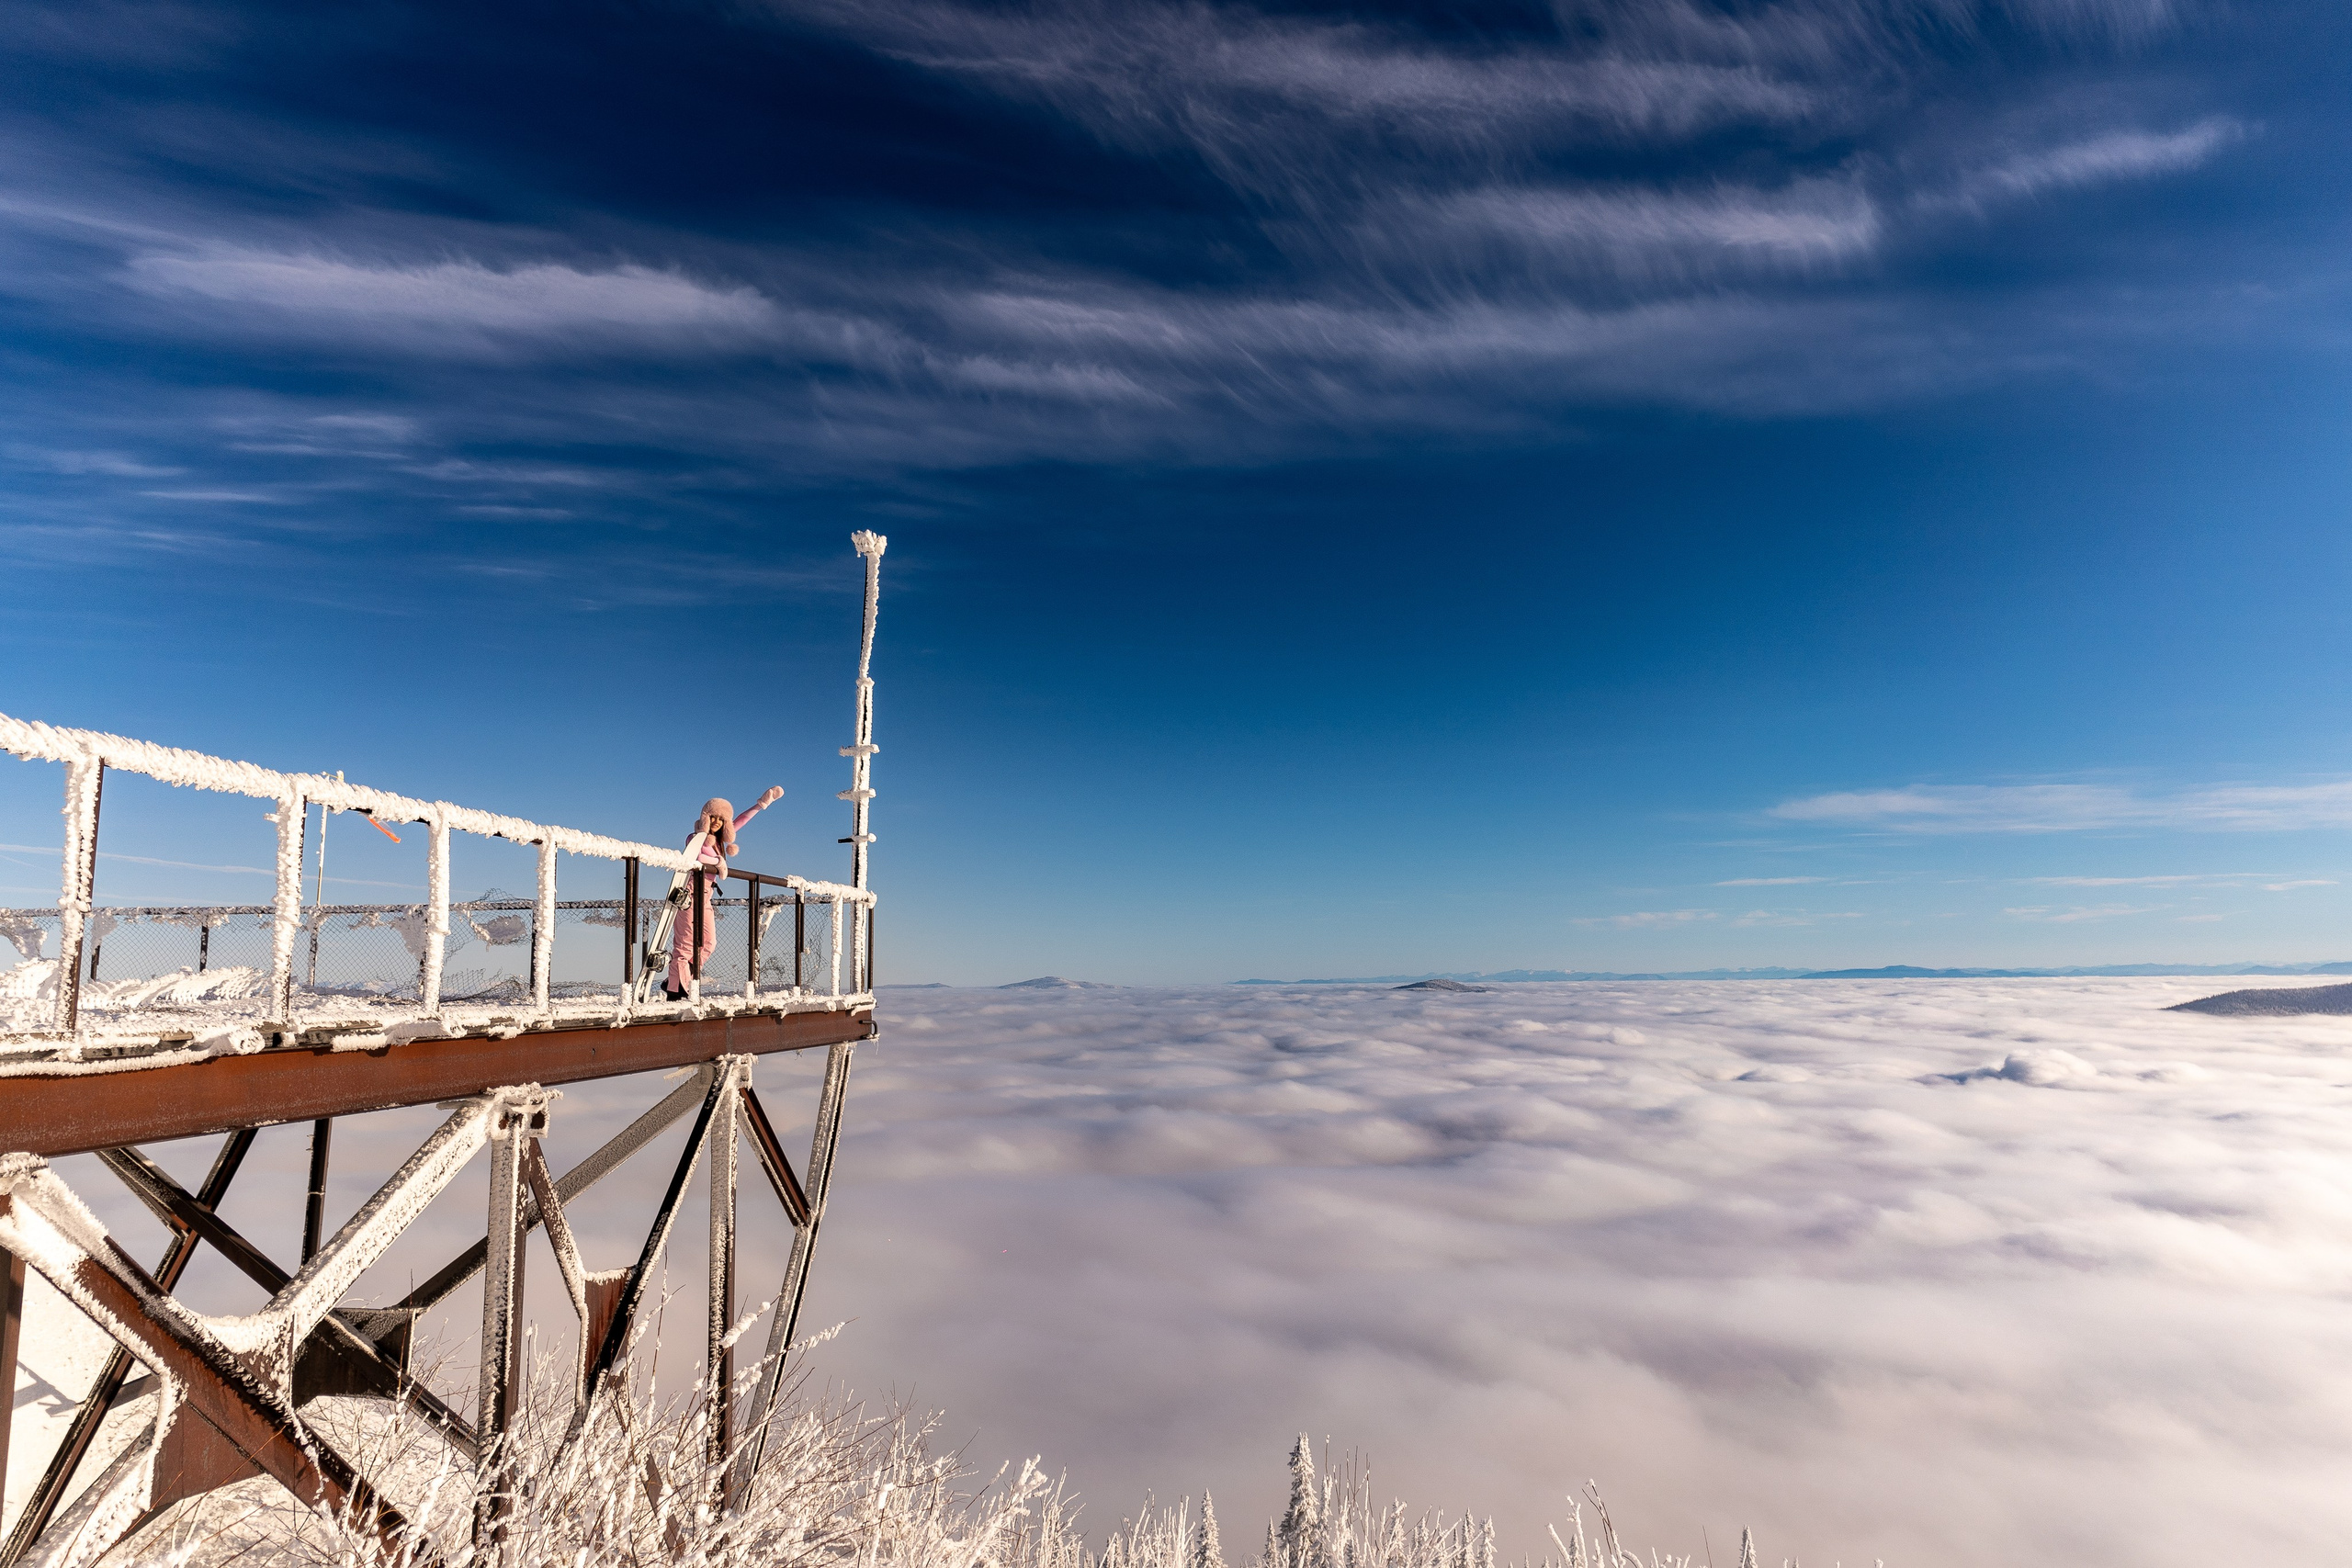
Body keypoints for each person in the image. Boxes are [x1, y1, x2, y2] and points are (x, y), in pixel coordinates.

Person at [663, 786, 785, 999]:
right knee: (685, 945)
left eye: (721, 819)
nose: (717, 822)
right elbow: (696, 857)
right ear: (705, 817)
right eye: (713, 817)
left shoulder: (719, 842)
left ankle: (677, 980)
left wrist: (761, 804)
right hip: (689, 895)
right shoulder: (695, 837)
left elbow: (740, 821)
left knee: (708, 944)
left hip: (706, 897)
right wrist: (719, 862)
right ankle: (676, 991)